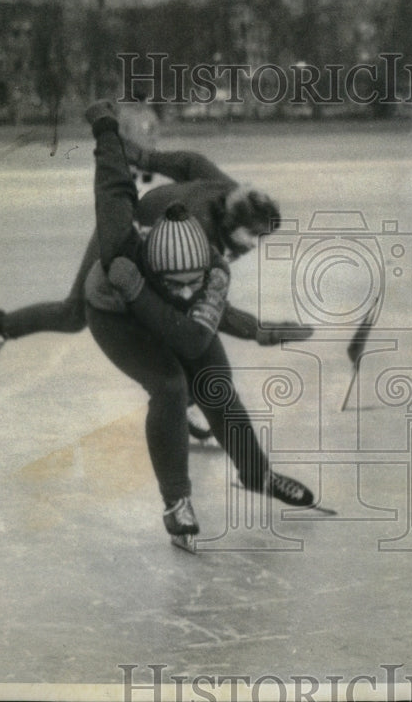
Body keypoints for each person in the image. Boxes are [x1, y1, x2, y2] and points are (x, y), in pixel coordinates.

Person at [0, 121, 311, 439]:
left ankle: (185, 404)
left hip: (156, 241)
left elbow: (193, 164)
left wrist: (148, 158)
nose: (254, 245)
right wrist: (260, 330)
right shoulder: (199, 242)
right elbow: (212, 311)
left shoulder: (232, 194)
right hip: (127, 239)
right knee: (77, 315)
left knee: (176, 332)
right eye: (253, 236)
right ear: (234, 224)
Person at [82, 100, 316, 544]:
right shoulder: (121, 254)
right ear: (150, 261)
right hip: (116, 313)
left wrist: (260, 329)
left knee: (215, 382)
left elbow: (194, 333)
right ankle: (176, 502)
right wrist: (105, 127)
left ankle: (257, 473)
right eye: (176, 281)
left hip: (157, 301)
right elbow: (112, 186)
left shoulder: (215, 270)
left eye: (196, 280)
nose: (186, 288)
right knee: (170, 386)